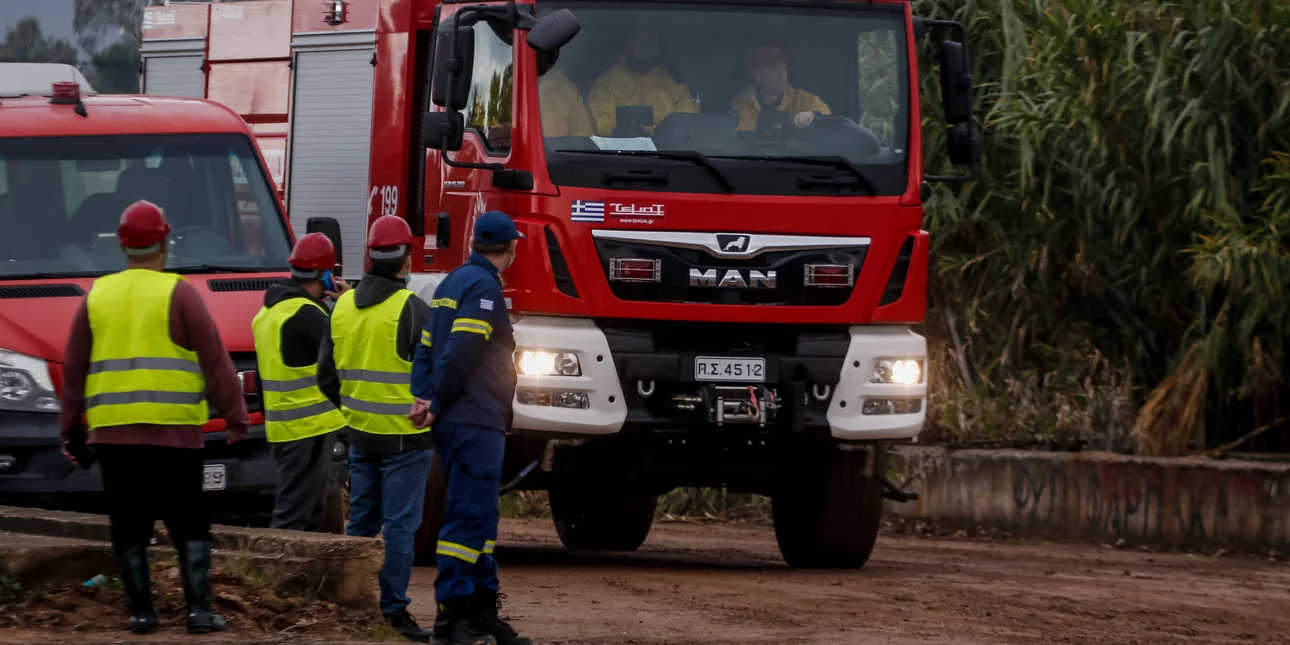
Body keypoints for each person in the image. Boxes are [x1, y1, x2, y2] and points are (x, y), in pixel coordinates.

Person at [58, 200, 246, 635]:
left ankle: (142, 613)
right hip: (174, 435)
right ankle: (198, 611)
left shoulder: (96, 296)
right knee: (188, 520)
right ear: (165, 241)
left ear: (122, 245)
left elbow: (73, 371)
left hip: (114, 437)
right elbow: (214, 361)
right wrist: (236, 417)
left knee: (127, 523)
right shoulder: (179, 294)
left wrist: (71, 433)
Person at [316, 215, 433, 642]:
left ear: (370, 256)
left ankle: (352, 606)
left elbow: (325, 375)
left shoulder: (343, 306)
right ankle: (394, 613)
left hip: (360, 434)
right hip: (406, 438)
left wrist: (350, 413)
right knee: (400, 526)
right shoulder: (411, 309)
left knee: (362, 522)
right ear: (406, 259)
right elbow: (435, 374)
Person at [410, 211, 525, 645]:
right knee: (468, 517)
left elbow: (426, 348)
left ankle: (480, 611)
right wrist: (437, 401)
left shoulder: (452, 283)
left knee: (480, 518)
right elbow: (461, 351)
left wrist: (424, 397)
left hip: (464, 417)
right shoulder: (483, 288)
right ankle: (453, 617)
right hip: (474, 418)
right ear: (509, 247)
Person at [252, 232, 351, 532]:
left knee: (310, 512)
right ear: (326, 274)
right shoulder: (308, 315)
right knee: (293, 516)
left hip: (286, 428)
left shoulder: (269, 311)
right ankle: (274, 577)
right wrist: (347, 302)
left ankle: (303, 578)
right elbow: (347, 350)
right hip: (308, 429)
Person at [587, 21, 698, 136]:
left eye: (652, 39)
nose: (648, 44)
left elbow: (691, 127)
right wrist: (627, 134)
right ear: (628, 44)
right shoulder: (607, 82)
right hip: (622, 151)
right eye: (641, 39)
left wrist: (660, 135)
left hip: (670, 151)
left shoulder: (674, 84)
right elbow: (603, 128)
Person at [730, 45, 830, 131]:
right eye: (773, 69)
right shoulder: (742, 103)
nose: (782, 75)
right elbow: (736, 139)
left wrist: (813, 115)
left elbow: (829, 121)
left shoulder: (803, 99)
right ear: (757, 75)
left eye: (784, 67)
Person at [538, 50, 594, 138]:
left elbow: (584, 130)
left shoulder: (564, 88)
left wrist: (565, 146)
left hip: (554, 150)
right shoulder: (512, 87)